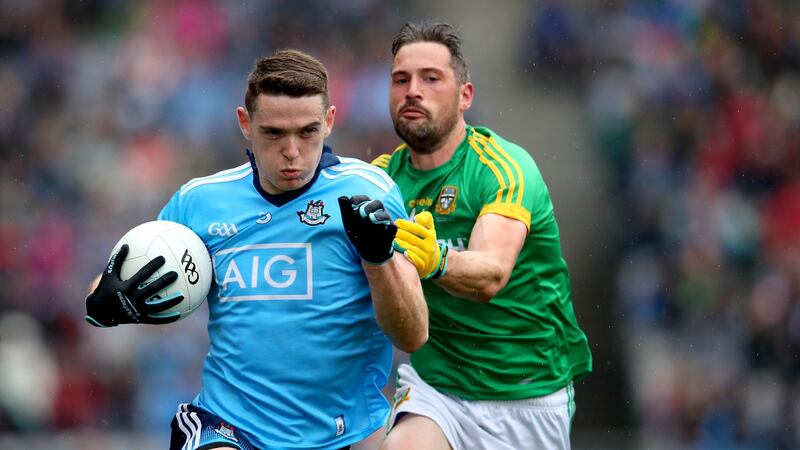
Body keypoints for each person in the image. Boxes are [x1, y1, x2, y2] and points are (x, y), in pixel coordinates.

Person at [83, 49, 428, 450]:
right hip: (229, 426)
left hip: (344, 433)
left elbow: (413, 334)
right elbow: (111, 287)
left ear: (329, 121)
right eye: (274, 133)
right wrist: (108, 304)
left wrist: (378, 259)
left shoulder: (370, 192)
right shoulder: (200, 201)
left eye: (307, 132)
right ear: (245, 124)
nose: (292, 151)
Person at [371, 22, 593, 450]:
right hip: (437, 386)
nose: (412, 91)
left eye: (431, 78)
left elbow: (491, 273)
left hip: (527, 391)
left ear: (465, 96)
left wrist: (436, 260)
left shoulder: (503, 167)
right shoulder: (379, 181)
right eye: (401, 80)